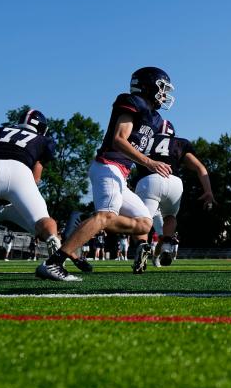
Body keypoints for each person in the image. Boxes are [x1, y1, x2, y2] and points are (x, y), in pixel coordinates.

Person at [38, 67, 174, 281]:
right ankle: (54, 263)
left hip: (120, 173)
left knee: (144, 223)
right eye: (162, 88)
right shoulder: (132, 101)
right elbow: (119, 140)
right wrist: (150, 162)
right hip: (108, 165)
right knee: (106, 215)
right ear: (148, 86)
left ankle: (86, 222)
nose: (165, 95)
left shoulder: (155, 119)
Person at [0, 110, 71, 275]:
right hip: (20, 172)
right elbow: (36, 178)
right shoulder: (43, 139)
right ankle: (53, 252)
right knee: (43, 220)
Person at [135, 120, 216, 267]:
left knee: (142, 220)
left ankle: (142, 247)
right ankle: (166, 246)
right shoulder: (179, 143)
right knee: (170, 216)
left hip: (149, 180)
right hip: (174, 182)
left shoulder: (144, 140)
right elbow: (200, 168)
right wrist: (208, 191)